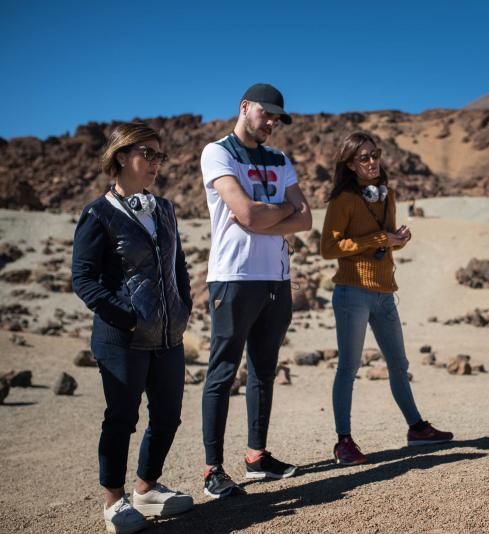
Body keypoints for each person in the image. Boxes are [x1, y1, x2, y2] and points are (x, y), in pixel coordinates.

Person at [72, 122, 194, 533]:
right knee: (122, 418)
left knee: (168, 416)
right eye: (148, 154)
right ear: (122, 156)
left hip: (167, 335)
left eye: (161, 155)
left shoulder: (164, 209)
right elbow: (83, 278)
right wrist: (125, 315)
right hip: (120, 337)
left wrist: (182, 306)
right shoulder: (98, 213)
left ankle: (146, 489)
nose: (157, 163)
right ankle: (113, 502)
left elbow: (178, 265)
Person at [199, 83, 312, 498]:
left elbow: (306, 220)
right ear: (245, 107)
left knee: (264, 369)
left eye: (279, 119)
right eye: (267, 114)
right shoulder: (218, 152)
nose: (272, 124)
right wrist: (279, 211)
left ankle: (257, 456)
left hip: (277, 279)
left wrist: (268, 216)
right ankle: (213, 469)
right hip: (233, 276)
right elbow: (243, 213)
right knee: (223, 371)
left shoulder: (280, 159)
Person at [321, 131, 453, 466]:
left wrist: (397, 240)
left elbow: (384, 240)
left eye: (374, 154)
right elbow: (329, 248)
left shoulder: (387, 195)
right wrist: (380, 237)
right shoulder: (343, 200)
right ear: (350, 164)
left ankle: (417, 429)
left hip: (385, 294)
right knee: (349, 368)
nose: (372, 161)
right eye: (363, 157)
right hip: (353, 292)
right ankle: (344, 442)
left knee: (399, 365)